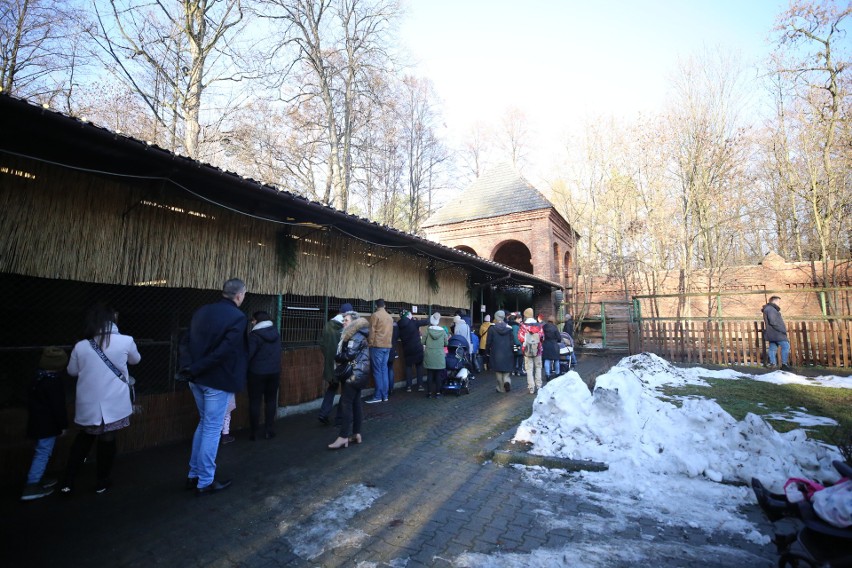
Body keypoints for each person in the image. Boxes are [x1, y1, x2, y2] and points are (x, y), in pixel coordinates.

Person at [61, 304, 141, 495]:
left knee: (84, 439)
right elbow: (135, 360)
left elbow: (71, 371)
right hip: (114, 403)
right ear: (112, 320)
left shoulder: (81, 345)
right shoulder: (126, 340)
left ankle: (68, 482)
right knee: (108, 439)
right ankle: (102, 481)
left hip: (89, 403)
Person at [181, 278, 248, 495]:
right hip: (217, 380)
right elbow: (225, 351)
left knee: (204, 424)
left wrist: (192, 368)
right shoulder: (238, 317)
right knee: (212, 428)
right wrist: (201, 367)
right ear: (239, 296)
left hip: (196, 378)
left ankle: (194, 475)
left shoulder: (202, 311)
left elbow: (185, 340)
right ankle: (205, 480)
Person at [21, 347, 69, 500]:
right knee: (42, 453)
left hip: (36, 421)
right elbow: (58, 406)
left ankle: (38, 479)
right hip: (47, 425)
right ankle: (32, 485)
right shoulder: (53, 383)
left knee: (41, 451)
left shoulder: (37, 378)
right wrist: (63, 425)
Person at [328, 310, 370, 449]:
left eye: (346, 320)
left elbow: (349, 355)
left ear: (354, 322)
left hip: (353, 375)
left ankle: (343, 437)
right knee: (356, 403)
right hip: (359, 373)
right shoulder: (359, 334)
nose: (344, 322)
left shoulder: (355, 335)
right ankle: (357, 433)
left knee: (346, 404)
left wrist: (337, 357)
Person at [247, 311, 282, 440]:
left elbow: (249, 354)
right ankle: (269, 430)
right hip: (274, 372)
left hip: (256, 373)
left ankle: (254, 432)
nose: (252, 322)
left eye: (253, 320)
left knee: (255, 402)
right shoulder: (275, 332)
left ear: (258, 321)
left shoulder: (254, 335)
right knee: (271, 400)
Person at [318, 304, 349, 425]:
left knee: (332, 388)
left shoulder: (328, 325)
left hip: (331, 364)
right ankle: (340, 417)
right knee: (346, 391)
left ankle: (323, 413)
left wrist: (328, 357)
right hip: (344, 364)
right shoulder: (347, 327)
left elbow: (322, 344)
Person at [367, 299, 393, 404]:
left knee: (377, 371)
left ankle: (377, 396)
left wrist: (370, 343)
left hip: (377, 346)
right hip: (387, 346)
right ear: (384, 305)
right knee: (384, 370)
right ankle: (385, 395)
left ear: (376, 306)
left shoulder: (375, 315)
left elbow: (372, 331)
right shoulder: (390, 317)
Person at [398, 309, 429, 392]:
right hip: (417, 348)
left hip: (406, 349)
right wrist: (433, 318)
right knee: (419, 367)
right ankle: (420, 385)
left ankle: (408, 387)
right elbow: (426, 322)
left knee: (408, 367)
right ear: (408, 315)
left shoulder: (398, 325)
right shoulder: (413, 322)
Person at [486, 311, 514, 393]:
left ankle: (501, 388)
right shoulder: (509, 328)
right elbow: (512, 342)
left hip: (496, 353)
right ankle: (507, 381)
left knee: (498, 371)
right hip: (508, 352)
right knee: (506, 372)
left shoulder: (492, 328)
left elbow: (488, 342)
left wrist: (487, 352)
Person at [422, 312, 448, 399]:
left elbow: (422, 342)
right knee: (438, 375)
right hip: (439, 355)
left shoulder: (427, 330)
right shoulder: (443, 331)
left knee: (429, 375)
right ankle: (437, 393)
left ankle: (429, 393)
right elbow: (446, 343)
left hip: (429, 354)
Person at [519, 308, 544, 394]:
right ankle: (539, 386)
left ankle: (531, 387)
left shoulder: (523, 326)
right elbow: (542, 336)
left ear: (525, 316)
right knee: (538, 367)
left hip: (527, 350)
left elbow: (520, 337)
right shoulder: (538, 325)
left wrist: (526, 342)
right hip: (538, 349)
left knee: (529, 369)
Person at [762, 296, 791, 371]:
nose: (779, 303)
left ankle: (773, 364)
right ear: (774, 301)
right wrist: (782, 330)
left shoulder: (769, 309)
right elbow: (773, 322)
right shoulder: (771, 309)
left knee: (773, 348)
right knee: (786, 346)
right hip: (777, 333)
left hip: (772, 333)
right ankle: (784, 364)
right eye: (778, 302)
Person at [542, 315, 562, 380]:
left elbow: (541, 336)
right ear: (553, 320)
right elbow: (559, 338)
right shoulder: (555, 327)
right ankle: (557, 373)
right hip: (554, 345)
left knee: (547, 360)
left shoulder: (544, 327)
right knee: (556, 360)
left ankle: (547, 375)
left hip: (546, 345)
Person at [387, 316, 400, 398]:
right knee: (390, 369)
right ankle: (391, 388)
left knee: (384, 370)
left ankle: (386, 389)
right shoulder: (397, 329)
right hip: (393, 350)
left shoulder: (387, 328)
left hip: (386, 350)